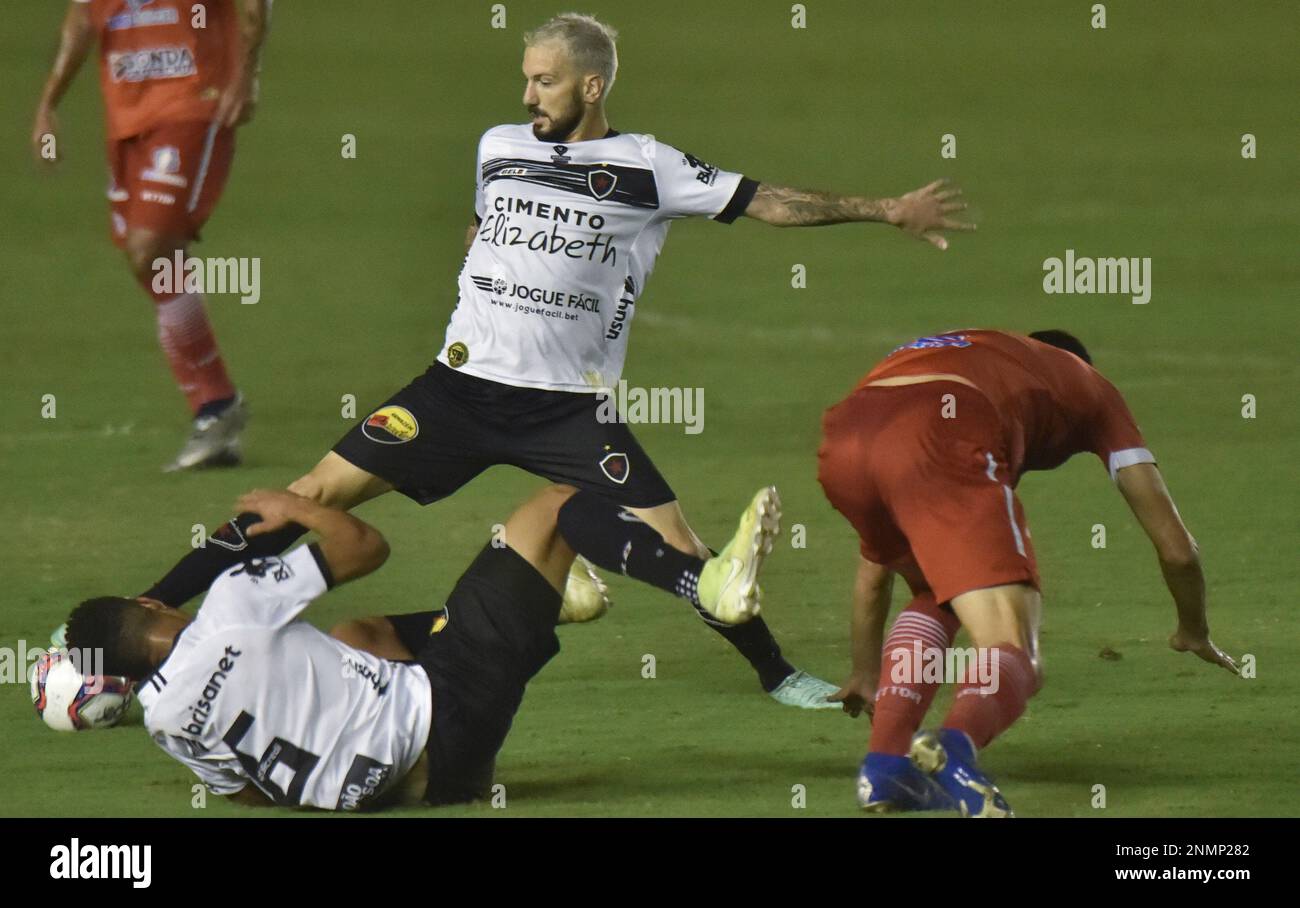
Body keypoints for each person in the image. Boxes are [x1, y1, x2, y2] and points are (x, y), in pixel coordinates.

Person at [131, 12, 973, 708]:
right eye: (526, 78)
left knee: (684, 547)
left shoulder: (649, 167)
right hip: (455, 392)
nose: (527, 94)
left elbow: (768, 202)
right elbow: (485, 219)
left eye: (544, 80)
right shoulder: (498, 143)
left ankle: (780, 675)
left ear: (592, 85)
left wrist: (886, 208)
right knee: (309, 494)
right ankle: (160, 602)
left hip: (570, 408)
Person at [63, 484, 781, 809]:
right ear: (151, 605)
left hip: (412, 790)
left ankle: (546, 605)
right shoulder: (231, 606)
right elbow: (367, 546)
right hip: (453, 715)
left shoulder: (162, 722)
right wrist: (300, 509)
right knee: (555, 507)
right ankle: (703, 583)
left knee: (356, 635)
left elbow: (250, 795)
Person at [817, 329, 1239, 816]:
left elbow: (876, 567)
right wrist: (1193, 628)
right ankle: (955, 749)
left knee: (935, 588)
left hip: (846, 438)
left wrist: (866, 672)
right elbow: (1177, 548)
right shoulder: (1090, 387)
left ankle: (886, 769)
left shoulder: (984, 353)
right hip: (945, 428)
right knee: (1014, 647)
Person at [32, 0, 271, 470]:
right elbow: (82, 18)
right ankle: (215, 409)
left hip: (193, 104)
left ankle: (216, 407)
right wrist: (48, 103)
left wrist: (245, 74)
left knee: (151, 248)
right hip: (126, 118)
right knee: (155, 264)